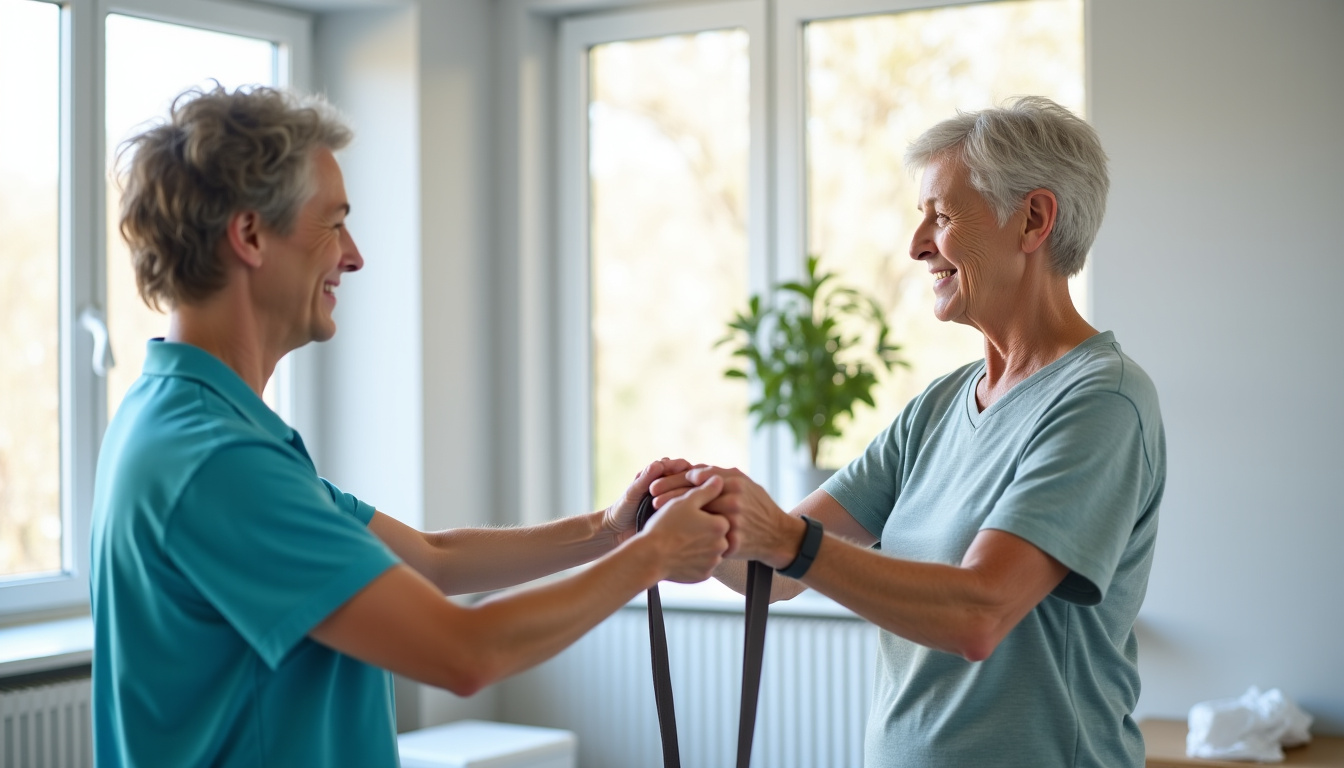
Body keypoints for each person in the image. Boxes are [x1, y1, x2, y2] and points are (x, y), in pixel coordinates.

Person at [88, 84, 731, 768]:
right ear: (249, 235)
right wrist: (654, 557)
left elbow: (431, 559)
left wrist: (612, 528)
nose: (354, 255)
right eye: (333, 222)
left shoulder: (189, 421)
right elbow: (466, 653)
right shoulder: (214, 462)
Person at [653, 96, 1166, 768]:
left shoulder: (1102, 402)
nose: (918, 245)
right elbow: (774, 573)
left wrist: (781, 535)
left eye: (942, 217)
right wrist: (694, 515)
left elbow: (978, 613)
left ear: (1034, 220)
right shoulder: (937, 406)